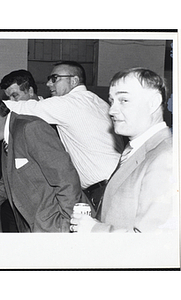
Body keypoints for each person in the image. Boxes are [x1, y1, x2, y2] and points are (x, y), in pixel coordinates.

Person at [4, 61, 124, 216]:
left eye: (55, 78)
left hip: (104, 190)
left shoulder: (69, 103)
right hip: (116, 183)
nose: (48, 84)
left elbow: (24, 108)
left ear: (73, 80)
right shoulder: (98, 101)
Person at [0, 93, 84, 232]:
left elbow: (66, 179)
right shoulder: (8, 137)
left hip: (56, 225)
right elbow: (9, 181)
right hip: (34, 225)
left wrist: (69, 225)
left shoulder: (31, 128)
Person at [70, 68, 177, 233]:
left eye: (124, 100)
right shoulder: (138, 149)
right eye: (112, 101)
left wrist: (94, 230)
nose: (111, 110)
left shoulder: (166, 157)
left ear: (153, 102)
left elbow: (152, 243)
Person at [0, 69, 43, 232]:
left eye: (15, 96)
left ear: (30, 91)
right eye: (8, 98)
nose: (11, 102)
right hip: (11, 195)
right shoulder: (7, 120)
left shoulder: (52, 115)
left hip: (41, 199)